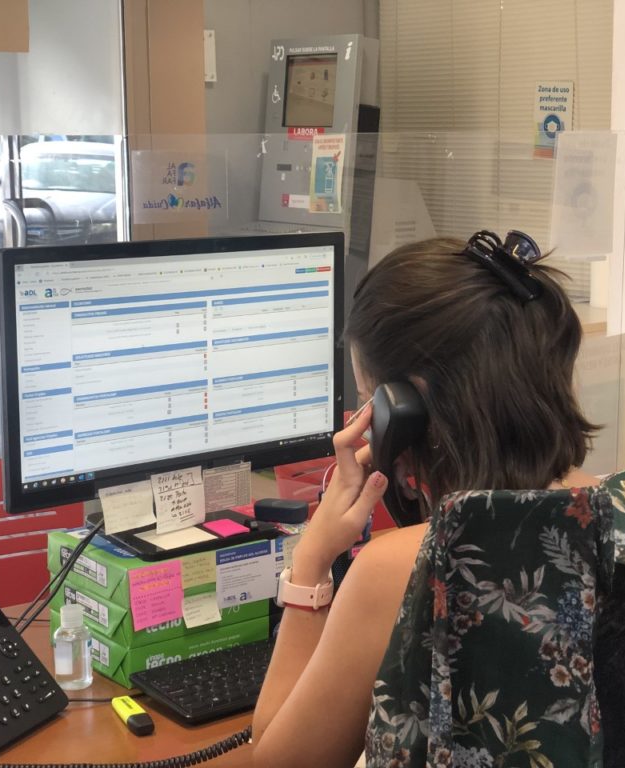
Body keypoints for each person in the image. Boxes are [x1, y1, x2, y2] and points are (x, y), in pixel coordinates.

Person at [251, 233, 601, 767]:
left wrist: (311, 561)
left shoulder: (405, 566)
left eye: (368, 402)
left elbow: (277, 761)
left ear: (406, 411)